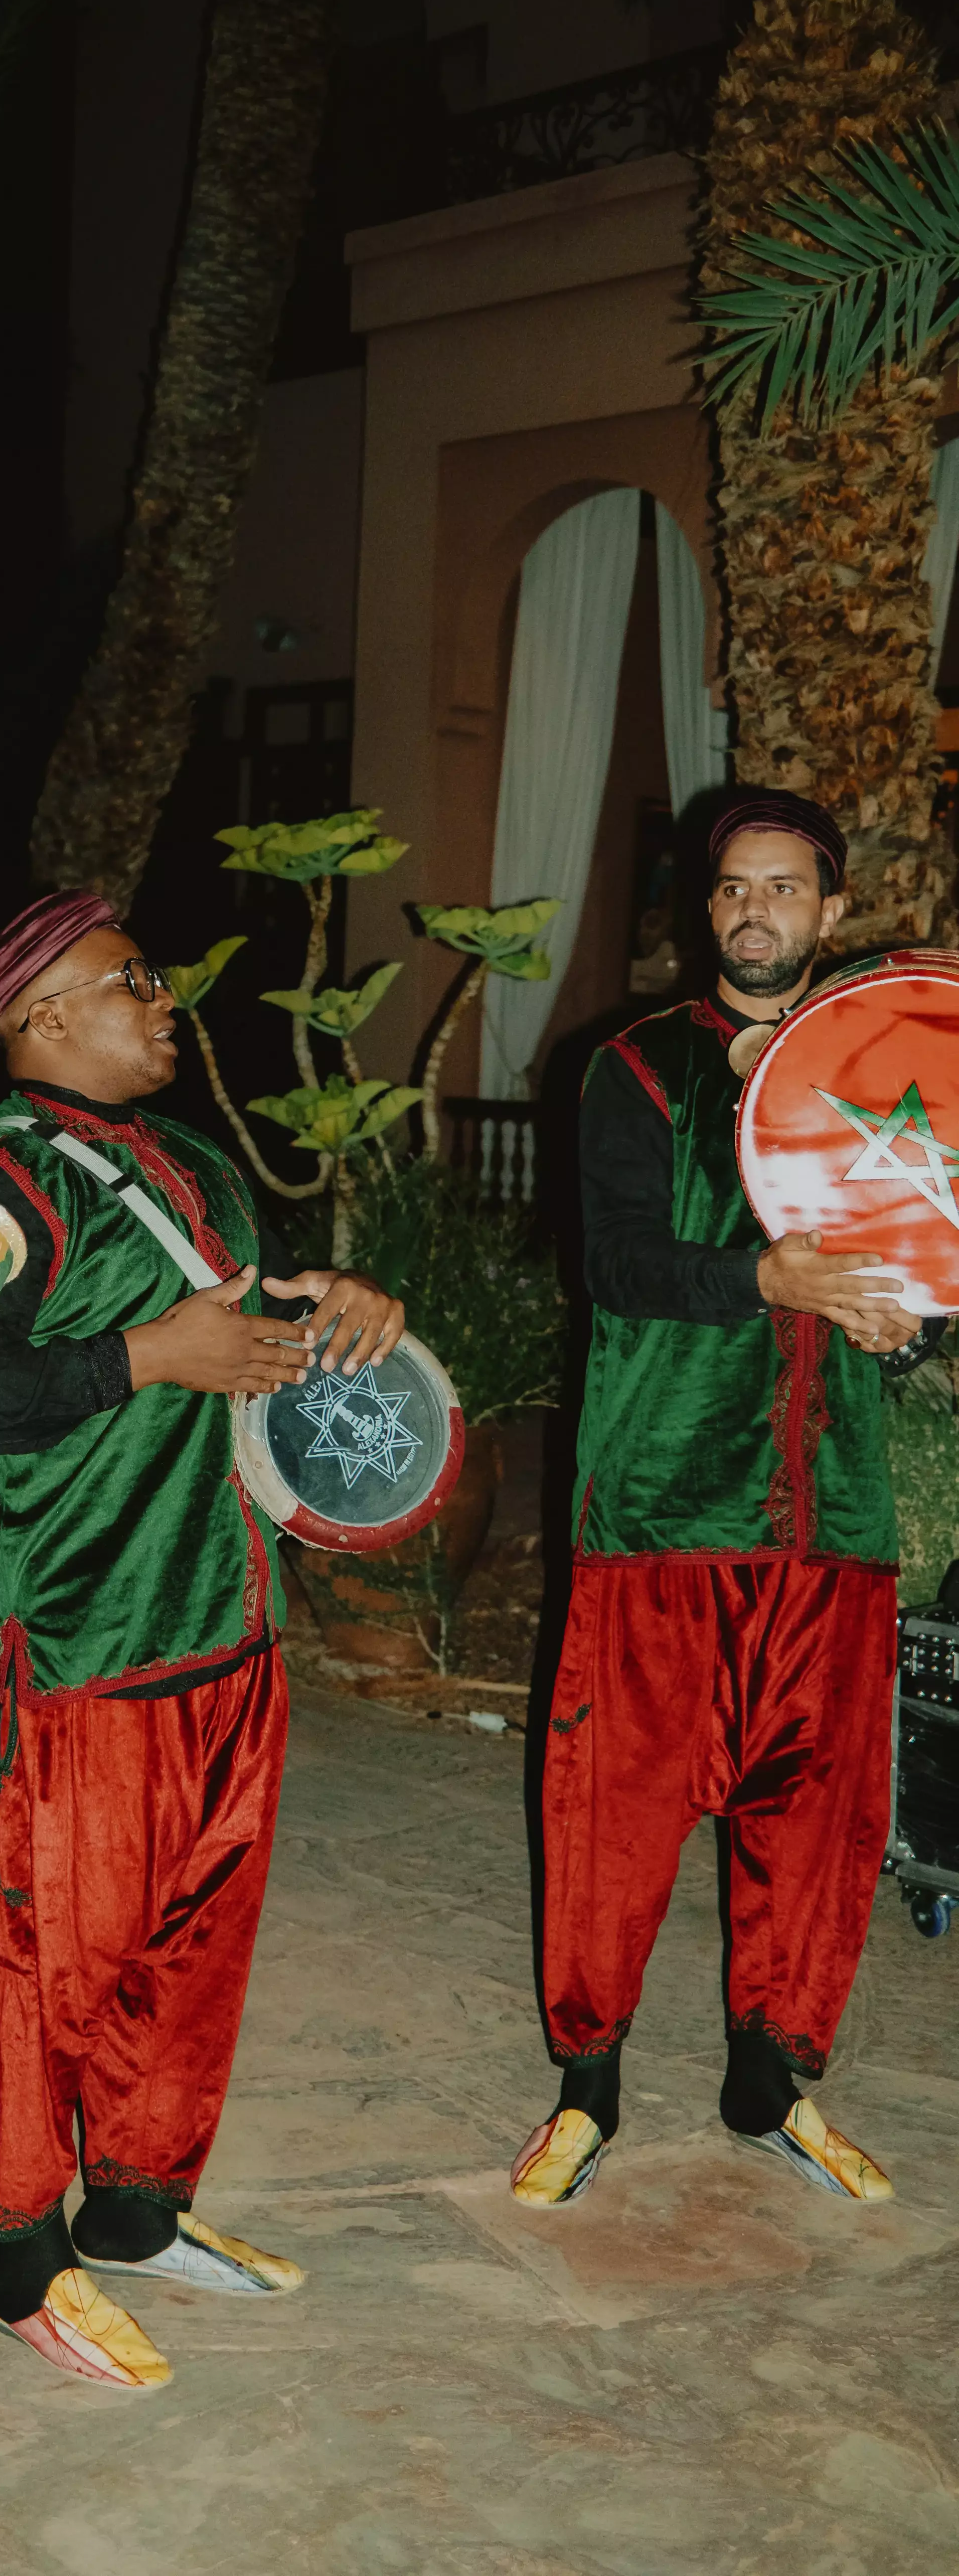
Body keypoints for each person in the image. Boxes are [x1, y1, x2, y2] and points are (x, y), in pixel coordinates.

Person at [0, 890, 404, 2388]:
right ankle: (24, 2254)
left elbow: (232, 1318)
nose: (164, 1000)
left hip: (214, 1613)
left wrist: (337, 1302)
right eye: (130, 982)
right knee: (40, 1957)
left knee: (185, 1946)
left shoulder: (189, 1161)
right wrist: (144, 1358)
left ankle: (135, 2209)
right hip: (65, 1641)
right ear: (39, 1018)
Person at [512, 796, 910, 2212]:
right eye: (735, 890)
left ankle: (770, 2083)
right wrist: (767, 1279)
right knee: (614, 1815)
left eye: (787, 890)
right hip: (665, 1506)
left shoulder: (891, 1073)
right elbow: (616, 1262)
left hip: (832, 1516)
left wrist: (906, 1326)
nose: (756, 913)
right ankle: (586, 2090)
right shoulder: (632, 1067)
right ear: (708, 911)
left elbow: (932, 1268)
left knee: (815, 1825)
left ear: (833, 910)